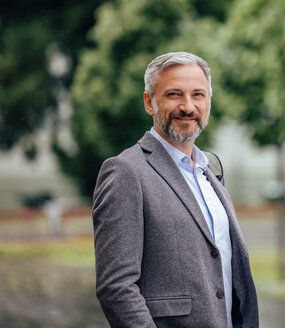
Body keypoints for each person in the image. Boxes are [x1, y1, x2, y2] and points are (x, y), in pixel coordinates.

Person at [92, 52, 259, 328]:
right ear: (149, 102)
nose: (188, 106)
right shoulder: (126, 172)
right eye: (174, 95)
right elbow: (116, 288)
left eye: (198, 95)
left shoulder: (212, 169)